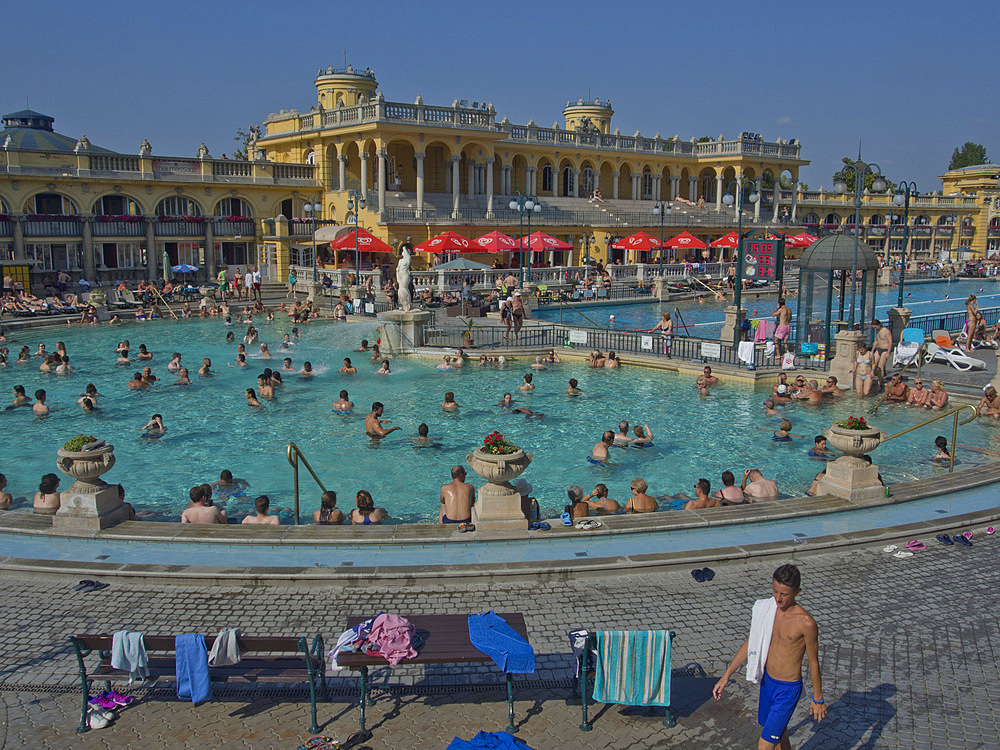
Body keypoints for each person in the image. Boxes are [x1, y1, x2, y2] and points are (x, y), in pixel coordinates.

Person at [713, 564, 826, 749]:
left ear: (798, 592)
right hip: (768, 683)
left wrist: (818, 698)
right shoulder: (768, 610)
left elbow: (814, 663)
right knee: (779, 735)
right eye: (775, 592)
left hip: (787, 690)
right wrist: (726, 676)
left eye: (784, 594)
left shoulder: (806, 623)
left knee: (765, 746)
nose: (778, 599)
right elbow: (752, 643)